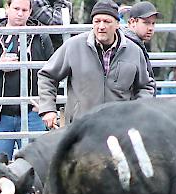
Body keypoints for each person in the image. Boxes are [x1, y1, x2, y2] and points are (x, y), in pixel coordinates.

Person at [37, 0, 154, 129]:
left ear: (117, 24)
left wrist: (139, 113)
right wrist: (48, 109)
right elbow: (47, 76)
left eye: (107, 21)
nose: (101, 26)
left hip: (120, 128)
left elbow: (145, 86)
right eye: (97, 21)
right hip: (80, 128)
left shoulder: (134, 51)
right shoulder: (74, 46)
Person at [0, 0, 53, 160]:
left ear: (30, 12)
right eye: (16, 8)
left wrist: (48, 104)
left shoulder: (41, 37)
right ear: (7, 8)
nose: (20, 13)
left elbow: (53, 72)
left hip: (33, 113)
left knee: (35, 167)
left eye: (24, 9)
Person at [124, 1, 160, 93]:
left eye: (153, 23)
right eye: (146, 23)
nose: (151, 28)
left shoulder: (136, 45)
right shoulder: (126, 47)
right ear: (132, 22)